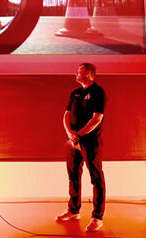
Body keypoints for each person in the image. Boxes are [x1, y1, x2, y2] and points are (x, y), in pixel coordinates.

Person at [56, 63, 106, 232]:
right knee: (73, 176)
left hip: (90, 143)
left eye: (80, 72)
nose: (76, 74)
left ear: (90, 74)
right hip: (72, 142)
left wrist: (80, 134)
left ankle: (97, 217)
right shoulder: (75, 93)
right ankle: (73, 210)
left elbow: (97, 118)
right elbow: (66, 114)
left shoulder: (98, 92)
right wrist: (70, 133)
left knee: (96, 179)